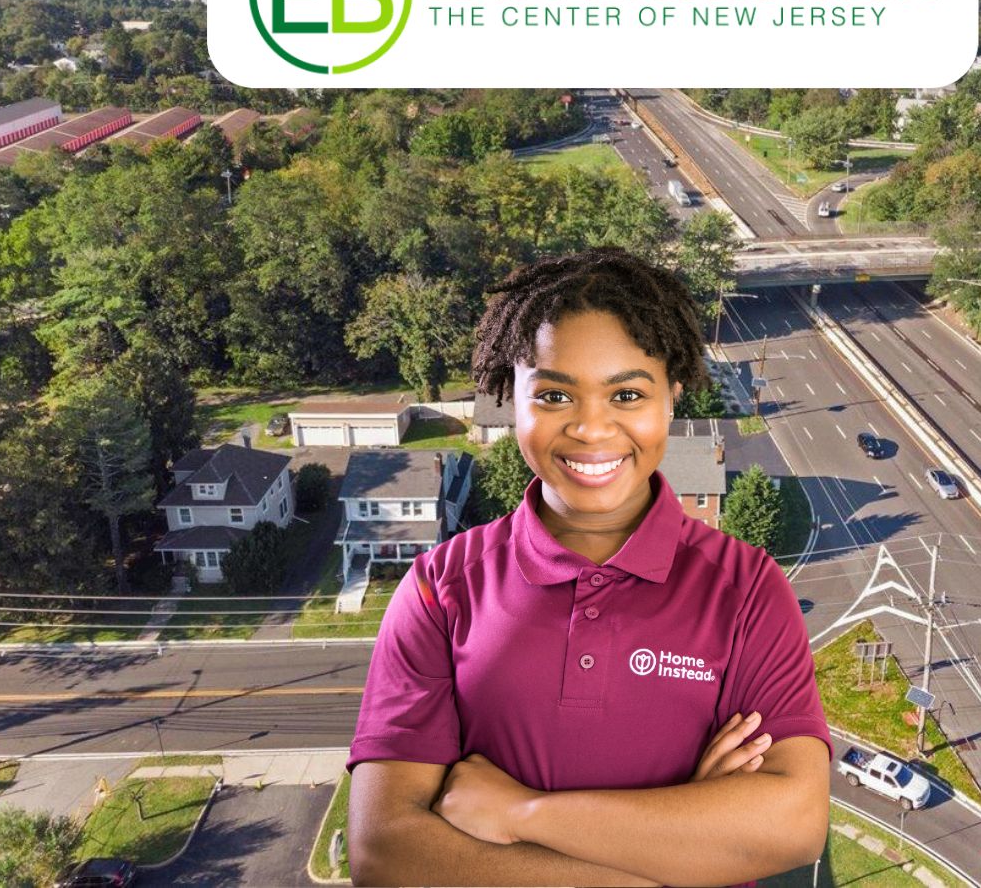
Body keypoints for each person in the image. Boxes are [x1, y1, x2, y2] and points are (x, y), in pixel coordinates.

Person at [347, 246, 832, 886]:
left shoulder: (745, 589)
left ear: (672, 395)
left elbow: (792, 824)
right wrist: (684, 845)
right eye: (553, 395)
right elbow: (386, 855)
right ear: (508, 399)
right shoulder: (444, 587)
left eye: (627, 393)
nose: (591, 429)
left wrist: (521, 813)